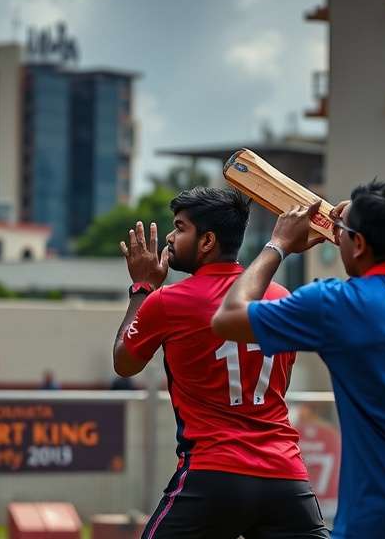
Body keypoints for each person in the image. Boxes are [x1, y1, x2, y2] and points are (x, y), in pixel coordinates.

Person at [212, 180, 385, 538]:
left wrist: (277, 245)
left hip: (379, 524)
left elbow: (228, 318)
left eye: (343, 234)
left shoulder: (336, 305)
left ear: (358, 244)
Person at [113, 187, 328, 539]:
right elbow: (279, 385)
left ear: (207, 241)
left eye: (180, 228)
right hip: (284, 476)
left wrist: (142, 288)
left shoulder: (168, 302)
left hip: (212, 475)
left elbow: (124, 362)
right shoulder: (281, 298)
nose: (169, 236)